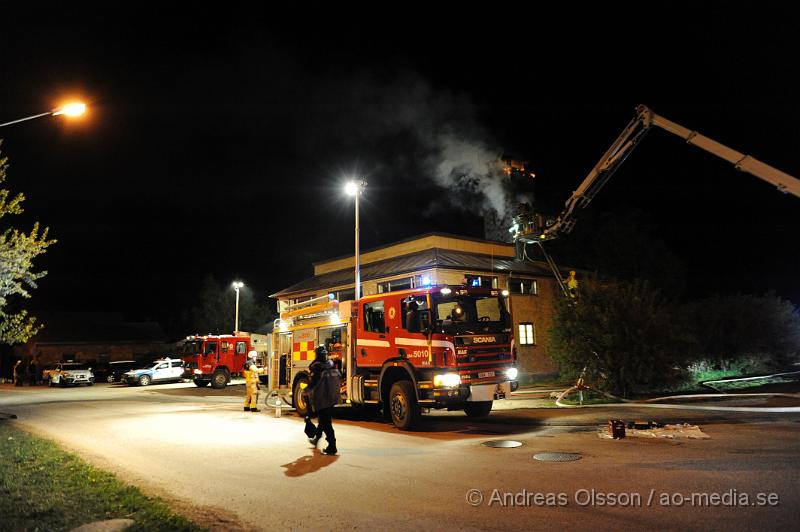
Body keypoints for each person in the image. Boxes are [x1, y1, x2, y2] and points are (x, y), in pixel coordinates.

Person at [307, 345, 341, 455]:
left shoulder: (317, 367)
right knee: (323, 420)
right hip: (331, 397)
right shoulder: (331, 365)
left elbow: (312, 383)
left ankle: (332, 446)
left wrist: (305, 390)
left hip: (322, 398)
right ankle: (316, 440)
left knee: (326, 423)